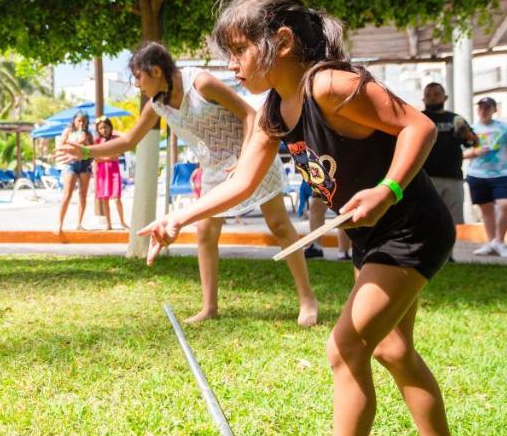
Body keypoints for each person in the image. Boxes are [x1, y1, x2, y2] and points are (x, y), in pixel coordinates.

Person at [142, 0, 466, 436]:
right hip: (376, 235)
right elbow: (242, 182)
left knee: (345, 348)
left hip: (409, 227)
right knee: (389, 348)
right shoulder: (273, 110)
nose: (232, 65)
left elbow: (418, 127)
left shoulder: (330, 86)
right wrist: (178, 216)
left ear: (283, 41)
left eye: (240, 50)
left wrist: (387, 190)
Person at [63, 41, 319, 326]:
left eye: (138, 76)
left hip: (249, 155)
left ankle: (307, 299)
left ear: (156, 70)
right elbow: (127, 141)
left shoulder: (201, 83)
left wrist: (246, 159)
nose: (137, 85)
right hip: (214, 169)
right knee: (205, 234)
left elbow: (250, 115)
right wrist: (85, 152)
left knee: (280, 225)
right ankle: (209, 307)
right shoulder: (156, 105)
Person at [466, 97, 507, 258]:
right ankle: (492, 242)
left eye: (487, 108)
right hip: (477, 174)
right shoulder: (471, 130)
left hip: (502, 174)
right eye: (481, 108)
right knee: (486, 210)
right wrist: (474, 153)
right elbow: (461, 153)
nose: (483, 111)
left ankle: (500, 240)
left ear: (494, 110)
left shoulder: (505, 128)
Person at [421, 82, 476, 226]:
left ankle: (450, 249)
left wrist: (467, 134)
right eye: (428, 95)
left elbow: (472, 143)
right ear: (423, 99)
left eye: (436, 94)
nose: (432, 98)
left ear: (445, 97)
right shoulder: (418, 119)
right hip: (426, 179)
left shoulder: (456, 119)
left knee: (453, 222)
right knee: (427, 221)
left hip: (453, 178)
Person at [56, 113, 94, 233]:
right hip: (71, 164)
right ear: (74, 121)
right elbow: (61, 145)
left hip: (84, 164)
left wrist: (86, 142)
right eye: (79, 120)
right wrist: (73, 145)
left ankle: (79, 223)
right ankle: (60, 224)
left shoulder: (88, 134)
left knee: (83, 195)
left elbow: (92, 151)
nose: (81, 123)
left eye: (84, 121)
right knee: (67, 194)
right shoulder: (68, 131)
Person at [93, 116, 126, 230]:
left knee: (117, 198)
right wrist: (108, 157)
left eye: (105, 127)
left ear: (110, 127)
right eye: (101, 128)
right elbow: (96, 158)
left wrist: (103, 157)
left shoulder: (115, 139)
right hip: (102, 173)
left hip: (114, 172)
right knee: (105, 198)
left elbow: (116, 155)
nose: (103, 130)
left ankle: (122, 222)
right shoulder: (97, 142)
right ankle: (109, 224)